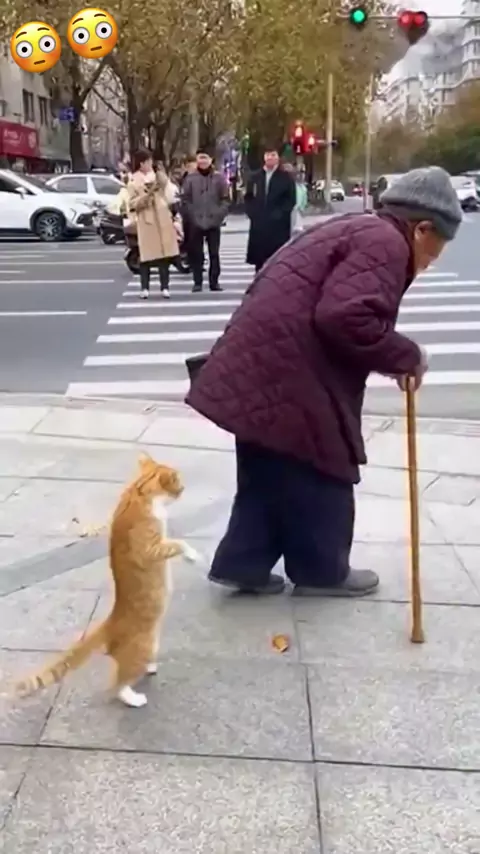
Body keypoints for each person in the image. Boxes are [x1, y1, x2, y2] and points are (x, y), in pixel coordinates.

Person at [186, 167, 462, 596]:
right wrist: (407, 356)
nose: (430, 261)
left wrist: (389, 359)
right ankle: (321, 571)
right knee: (323, 465)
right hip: (291, 370)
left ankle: (244, 563)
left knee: (268, 469)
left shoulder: (359, 227)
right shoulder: (387, 242)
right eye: (435, 249)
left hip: (264, 361)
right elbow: (346, 315)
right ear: (422, 228)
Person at [127, 150, 179, 300]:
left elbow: (169, 193)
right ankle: (145, 288)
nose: (150, 164)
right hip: (146, 220)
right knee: (146, 256)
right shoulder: (133, 181)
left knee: (164, 255)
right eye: (148, 161)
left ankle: (165, 287)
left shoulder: (157, 176)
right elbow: (132, 203)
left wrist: (162, 180)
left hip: (162, 217)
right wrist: (146, 196)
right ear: (141, 163)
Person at [182, 149, 230, 293]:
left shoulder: (219, 178)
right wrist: (191, 215)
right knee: (196, 253)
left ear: (211, 160)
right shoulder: (190, 178)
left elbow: (226, 199)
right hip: (195, 222)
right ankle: (197, 282)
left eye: (205, 158)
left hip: (213, 221)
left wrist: (219, 214)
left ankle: (214, 281)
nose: (203, 161)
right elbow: (185, 200)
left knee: (214, 253)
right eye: (200, 158)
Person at [245, 148, 297, 272]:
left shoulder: (285, 177)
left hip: (278, 224)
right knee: (260, 259)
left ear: (278, 157)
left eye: (273, 155)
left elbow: (291, 199)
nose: (270, 158)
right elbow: (248, 197)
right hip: (259, 223)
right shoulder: (255, 177)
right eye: (268, 155)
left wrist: (280, 213)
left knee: (277, 258)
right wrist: (252, 213)